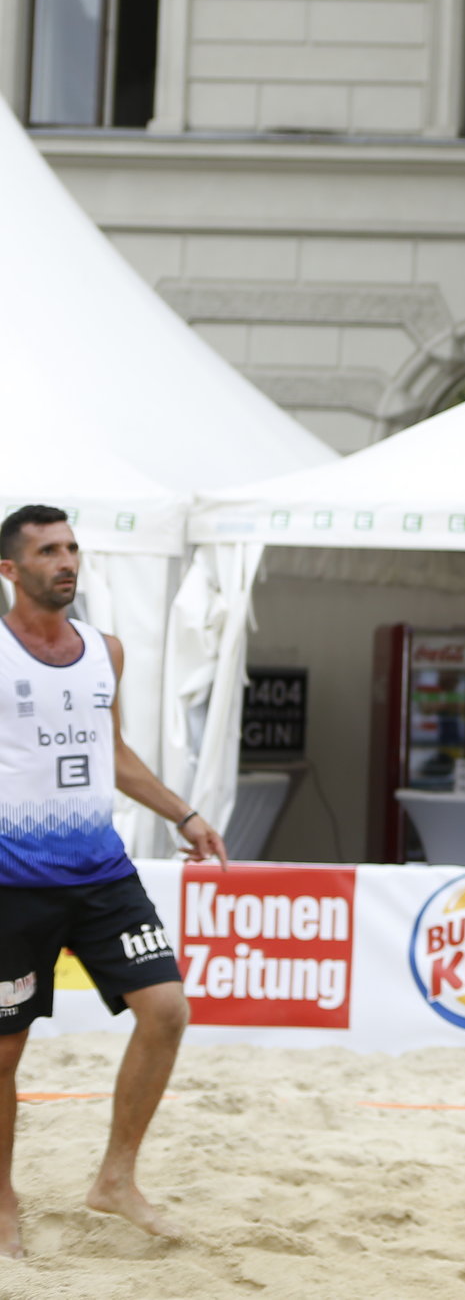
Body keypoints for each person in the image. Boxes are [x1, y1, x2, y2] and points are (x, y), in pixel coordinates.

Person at [0, 505, 228, 1257]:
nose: (66, 561)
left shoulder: (106, 650)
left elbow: (114, 753)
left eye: (71, 548)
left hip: (101, 871)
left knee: (166, 1009)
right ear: (10, 569)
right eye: (47, 551)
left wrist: (186, 812)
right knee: (4, 1051)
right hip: (12, 881)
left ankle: (117, 1178)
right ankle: (2, 1198)